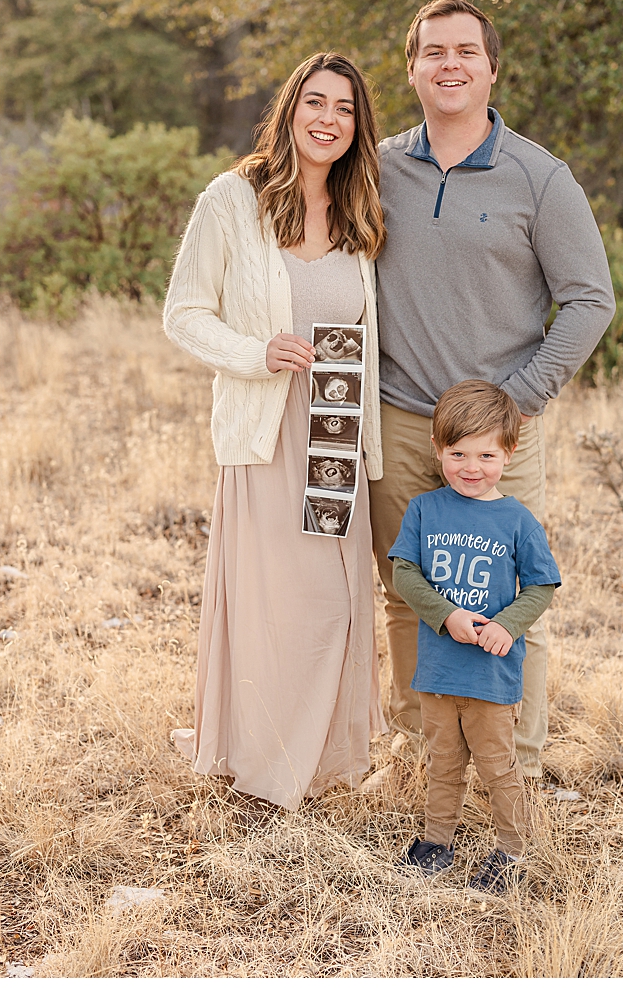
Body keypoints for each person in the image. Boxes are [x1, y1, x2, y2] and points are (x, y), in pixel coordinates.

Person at [368, 0, 615, 776]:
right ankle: (422, 759)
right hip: (399, 422)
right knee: (409, 598)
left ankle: (519, 772)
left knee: (513, 609)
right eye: (433, 52)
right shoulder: (375, 169)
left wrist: (521, 399)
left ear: (492, 68)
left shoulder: (540, 178)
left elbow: (589, 299)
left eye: (466, 52)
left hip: (499, 437)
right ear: (411, 69)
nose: (450, 65)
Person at [163, 51, 388, 810]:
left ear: (359, 126)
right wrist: (255, 353)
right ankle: (267, 760)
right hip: (267, 432)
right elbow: (184, 313)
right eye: (315, 102)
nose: (329, 120)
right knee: (277, 602)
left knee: (336, 598)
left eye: (345, 109)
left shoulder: (361, 208)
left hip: (337, 432)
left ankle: (326, 759)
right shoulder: (234, 198)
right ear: (290, 109)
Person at [388, 380, 561, 893]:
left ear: (509, 453)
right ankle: (436, 842)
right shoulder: (424, 509)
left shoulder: (517, 519)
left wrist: (506, 625)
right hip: (439, 669)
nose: (471, 466)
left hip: (490, 675)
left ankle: (512, 850)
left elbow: (541, 584)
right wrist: (446, 615)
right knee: (443, 763)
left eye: (486, 454)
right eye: (458, 452)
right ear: (438, 449)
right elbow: (404, 574)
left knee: (497, 767)